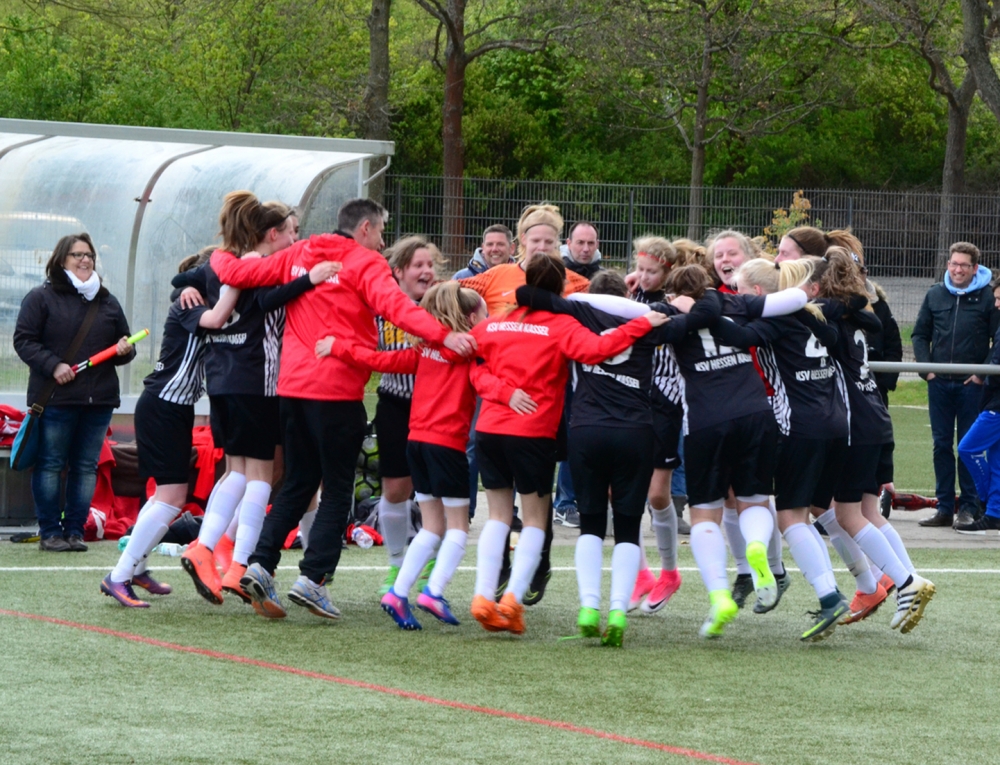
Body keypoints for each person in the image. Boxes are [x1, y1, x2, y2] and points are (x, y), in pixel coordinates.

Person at [209, 198, 474, 621]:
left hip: (292, 390)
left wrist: (221, 249)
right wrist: (444, 336)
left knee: (297, 483)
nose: (382, 241)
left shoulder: (300, 251)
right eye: (381, 231)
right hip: (336, 393)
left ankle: (260, 564)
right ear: (365, 228)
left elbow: (236, 273)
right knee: (336, 488)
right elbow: (399, 310)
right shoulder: (365, 263)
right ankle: (313, 579)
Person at [468, 254, 664, 636]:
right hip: (532, 431)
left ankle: (481, 596)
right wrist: (641, 324)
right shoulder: (560, 325)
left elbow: (475, 368)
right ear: (561, 287)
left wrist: (503, 392)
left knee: (497, 517)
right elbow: (597, 350)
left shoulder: (492, 323)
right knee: (535, 520)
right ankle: (512, 601)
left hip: (489, 429)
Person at [319, 283, 517, 629]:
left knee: (432, 527)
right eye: (484, 315)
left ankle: (397, 592)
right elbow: (487, 380)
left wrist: (337, 346)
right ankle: (433, 592)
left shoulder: (424, 350)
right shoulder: (471, 352)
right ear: (472, 318)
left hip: (417, 445)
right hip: (448, 446)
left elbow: (377, 360)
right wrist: (513, 395)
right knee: (458, 529)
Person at [179, 192, 328, 606]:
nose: (297, 239)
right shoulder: (263, 267)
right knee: (261, 476)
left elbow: (190, 280)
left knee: (237, 472)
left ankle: (207, 548)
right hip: (256, 380)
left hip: (222, 379)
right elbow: (265, 300)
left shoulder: (227, 263)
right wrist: (310, 280)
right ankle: (239, 562)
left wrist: (186, 287)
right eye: (292, 232)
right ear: (272, 233)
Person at [100, 249, 242, 606]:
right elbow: (215, 320)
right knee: (172, 498)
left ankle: (136, 569)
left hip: (173, 409)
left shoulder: (198, 298)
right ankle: (119, 576)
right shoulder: (190, 302)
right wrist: (239, 281)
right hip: (162, 406)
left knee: (164, 497)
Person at [13, 234, 135, 552]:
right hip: (57, 399)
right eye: (77, 254)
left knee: (85, 467)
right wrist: (53, 365)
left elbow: (124, 346)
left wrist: (125, 350)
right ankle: (51, 532)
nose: (85, 260)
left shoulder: (107, 301)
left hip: (99, 400)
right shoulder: (41, 297)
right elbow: (24, 340)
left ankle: (75, 532)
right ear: (61, 260)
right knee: (51, 464)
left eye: (89, 255)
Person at [370, 236, 443, 598]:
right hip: (396, 403)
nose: (426, 271)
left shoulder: (443, 305)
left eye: (430, 265)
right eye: (418, 265)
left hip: (437, 407)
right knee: (396, 488)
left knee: (437, 488)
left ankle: (432, 558)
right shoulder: (379, 308)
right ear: (398, 271)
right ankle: (397, 562)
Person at [912, 241, 999, 528]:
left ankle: (969, 508)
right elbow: (919, 334)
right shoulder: (935, 294)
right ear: (947, 264)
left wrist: (981, 374)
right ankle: (944, 507)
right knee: (941, 445)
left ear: (975, 268)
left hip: (972, 386)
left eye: (964, 265)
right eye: (954, 264)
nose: (958, 269)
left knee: (967, 447)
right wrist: (927, 371)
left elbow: (997, 340)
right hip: (938, 385)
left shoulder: (988, 298)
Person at [452, 225, 516, 518]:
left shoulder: (519, 279)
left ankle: (508, 512)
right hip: (473, 368)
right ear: (481, 246)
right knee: (471, 440)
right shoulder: (463, 279)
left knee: (510, 442)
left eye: (500, 244)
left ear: (512, 248)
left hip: (511, 370)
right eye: (489, 244)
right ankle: (465, 508)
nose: (494, 249)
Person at [459, 204, 590, 316]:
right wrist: (452, 333)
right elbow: (448, 294)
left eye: (549, 242)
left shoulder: (578, 284)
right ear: (524, 239)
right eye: (536, 241)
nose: (542, 247)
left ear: (556, 242)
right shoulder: (494, 276)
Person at [956, 274, 1000, 535]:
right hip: (993, 398)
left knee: (968, 448)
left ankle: (986, 501)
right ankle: (994, 513)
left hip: (997, 403)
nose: (996, 304)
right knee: (996, 458)